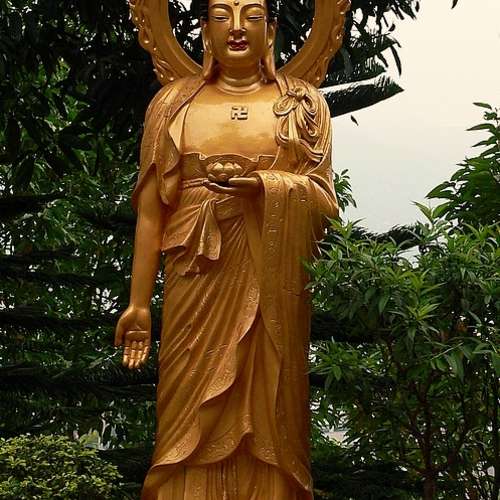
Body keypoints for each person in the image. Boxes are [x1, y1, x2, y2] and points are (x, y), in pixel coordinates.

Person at [114, 0, 338, 497]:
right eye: (222, 16)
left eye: (252, 15)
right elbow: (151, 214)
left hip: (270, 281)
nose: (236, 28)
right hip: (195, 276)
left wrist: (267, 187)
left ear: (271, 30)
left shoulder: (302, 104)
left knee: (270, 405)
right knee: (185, 406)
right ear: (203, 31)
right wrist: (138, 304)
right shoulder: (172, 104)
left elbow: (325, 202)